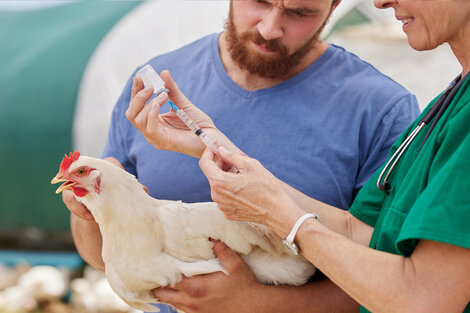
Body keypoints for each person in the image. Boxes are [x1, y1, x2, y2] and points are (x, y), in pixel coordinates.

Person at [64, 0, 420, 312]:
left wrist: (258, 305)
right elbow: (100, 257)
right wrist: (88, 213)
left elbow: (400, 282)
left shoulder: (382, 111)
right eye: (259, 1)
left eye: (300, 12)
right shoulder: (153, 89)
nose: (270, 27)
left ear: (335, 5)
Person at [142, 0, 470, 312]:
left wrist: (279, 218)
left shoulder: (392, 107)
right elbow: (360, 232)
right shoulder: (451, 104)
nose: (380, 3)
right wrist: (215, 146)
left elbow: (424, 300)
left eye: (300, 12)